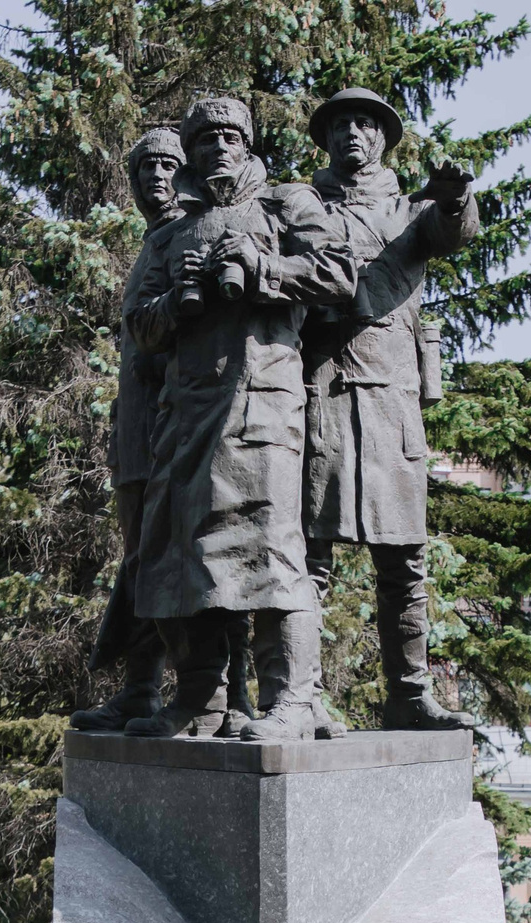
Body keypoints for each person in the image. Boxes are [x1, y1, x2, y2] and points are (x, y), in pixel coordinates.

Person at [122, 96, 357, 740]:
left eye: (231, 136)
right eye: (205, 140)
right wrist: (177, 300)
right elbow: (139, 327)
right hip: (185, 417)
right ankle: (202, 701)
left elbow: (339, 275)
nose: (218, 148)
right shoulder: (171, 235)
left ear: (248, 144)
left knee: (272, 551)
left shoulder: (287, 204)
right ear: (191, 154)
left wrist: (264, 269)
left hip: (261, 408)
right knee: (177, 558)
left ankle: (294, 700)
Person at [299, 87, 482, 734]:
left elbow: (451, 230)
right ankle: (303, 698)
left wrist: (454, 195)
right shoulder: (302, 206)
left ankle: (408, 693)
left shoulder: (410, 212)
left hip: (392, 406)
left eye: (366, 123)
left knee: (404, 562)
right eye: (342, 122)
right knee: (309, 560)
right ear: (326, 138)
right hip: (319, 398)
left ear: (382, 139)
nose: (353, 131)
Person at [73, 126, 200, 736]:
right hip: (135, 431)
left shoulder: (186, 236)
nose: (154, 176)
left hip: (173, 425)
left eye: (166, 165)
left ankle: (202, 692)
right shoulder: (152, 241)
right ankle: (141, 688)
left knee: (165, 559)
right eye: (143, 167)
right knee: (139, 560)